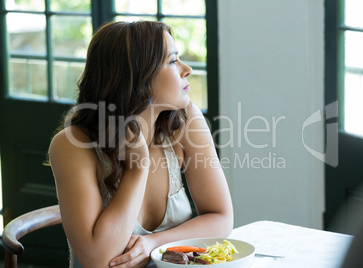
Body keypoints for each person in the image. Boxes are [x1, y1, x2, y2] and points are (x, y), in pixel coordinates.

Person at [48, 20, 233, 268]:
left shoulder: (186, 121)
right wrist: (138, 168)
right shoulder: (72, 145)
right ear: (135, 77)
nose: (187, 69)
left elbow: (221, 219)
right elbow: (98, 260)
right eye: (172, 61)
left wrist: (154, 244)